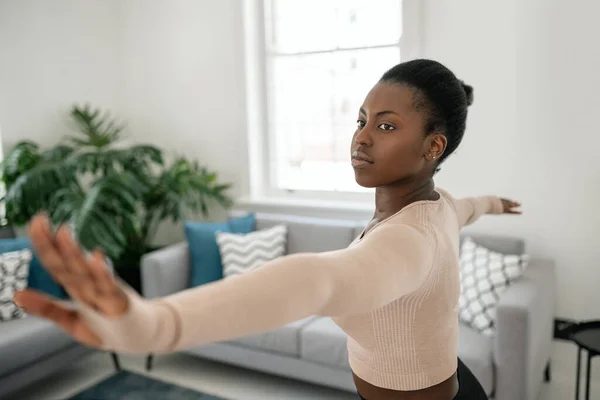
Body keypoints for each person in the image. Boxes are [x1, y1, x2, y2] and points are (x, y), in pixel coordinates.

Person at [14, 59, 521, 400]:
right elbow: (471, 207)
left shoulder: (408, 242)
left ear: (434, 146)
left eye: (386, 126)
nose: (361, 138)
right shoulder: (442, 207)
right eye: (362, 120)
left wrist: (159, 324)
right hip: (456, 383)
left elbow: (318, 281)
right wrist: (498, 203)